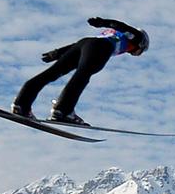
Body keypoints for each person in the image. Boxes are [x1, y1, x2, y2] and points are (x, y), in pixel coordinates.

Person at [11, 17, 149, 126]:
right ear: (142, 44)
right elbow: (120, 25)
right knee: (82, 76)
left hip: (84, 43)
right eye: (141, 51)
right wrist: (102, 22)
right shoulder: (136, 37)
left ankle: (21, 104)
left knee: (51, 74)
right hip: (101, 48)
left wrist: (57, 53)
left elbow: (79, 46)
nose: (136, 54)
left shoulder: (113, 36)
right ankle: (63, 111)